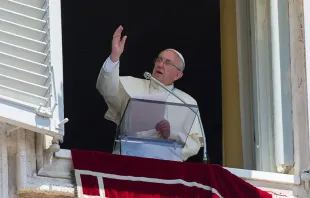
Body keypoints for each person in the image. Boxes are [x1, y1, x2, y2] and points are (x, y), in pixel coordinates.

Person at [96, 25, 203, 161]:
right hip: (127, 160)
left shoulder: (187, 102)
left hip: (165, 167)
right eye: (159, 60)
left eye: (167, 62)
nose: (160, 64)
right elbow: (106, 88)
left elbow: (194, 144)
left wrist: (171, 134)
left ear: (177, 75)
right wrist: (114, 57)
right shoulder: (133, 85)